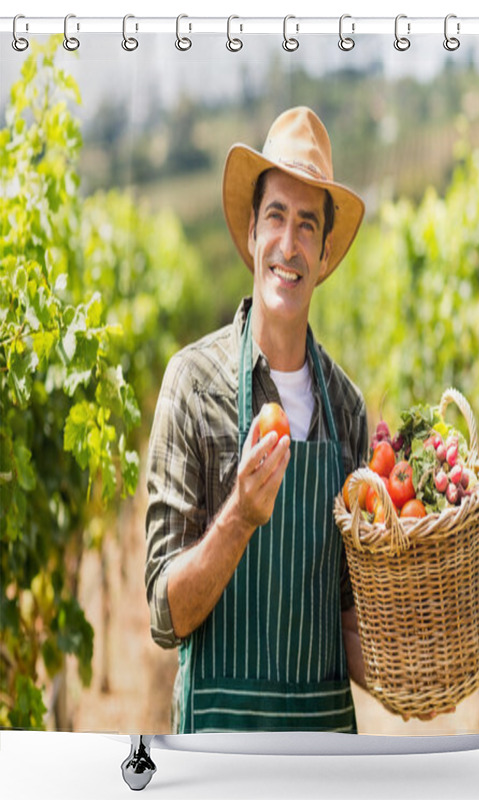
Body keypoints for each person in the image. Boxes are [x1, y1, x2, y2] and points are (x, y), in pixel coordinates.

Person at [144, 107, 368, 734]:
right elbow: (165, 615)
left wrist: (411, 673)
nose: (289, 244)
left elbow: (348, 619)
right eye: (276, 217)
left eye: (306, 226)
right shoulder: (193, 386)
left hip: (324, 754)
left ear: (324, 254)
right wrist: (240, 515)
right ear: (251, 232)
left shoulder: (345, 410)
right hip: (220, 750)